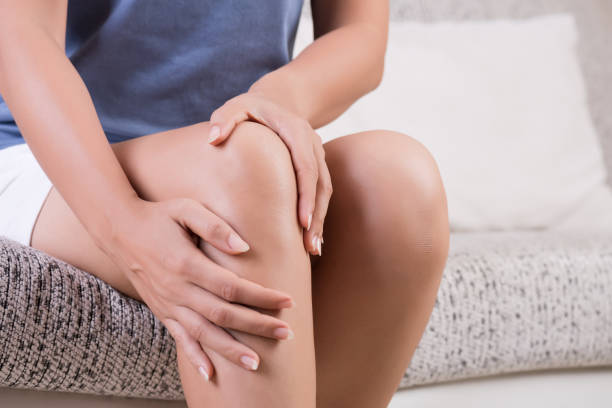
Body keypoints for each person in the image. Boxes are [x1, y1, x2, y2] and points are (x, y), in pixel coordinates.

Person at [0, 1, 449, 407]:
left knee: (397, 183)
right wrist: (122, 222)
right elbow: (21, 33)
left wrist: (275, 99)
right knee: (247, 167)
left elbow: (361, 34)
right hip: (47, 159)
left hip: (238, 159)